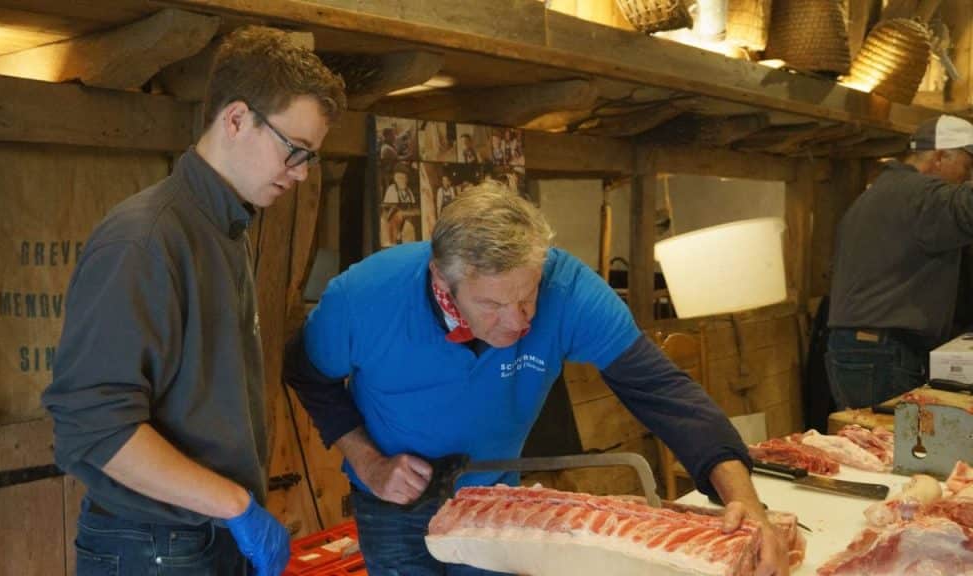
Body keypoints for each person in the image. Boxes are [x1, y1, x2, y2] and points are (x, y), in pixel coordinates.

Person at [284, 183, 789, 576]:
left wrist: (742, 498)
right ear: (443, 280)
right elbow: (307, 375)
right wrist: (368, 462)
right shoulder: (363, 297)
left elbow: (661, 389)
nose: (517, 322)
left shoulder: (569, 289)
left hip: (493, 496)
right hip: (391, 497)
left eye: (527, 296)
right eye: (492, 304)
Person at [41, 26, 346, 576]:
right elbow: (95, 427)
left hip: (203, 536)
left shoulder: (224, 228)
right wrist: (234, 505)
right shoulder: (145, 240)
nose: (302, 172)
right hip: (153, 547)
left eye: (311, 157)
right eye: (295, 149)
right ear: (236, 119)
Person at [826, 114, 973, 410]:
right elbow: (967, 207)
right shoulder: (922, 195)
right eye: (968, 167)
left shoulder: (883, 192)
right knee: (897, 439)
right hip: (883, 353)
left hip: (861, 348)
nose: (967, 177)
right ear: (940, 157)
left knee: (873, 437)